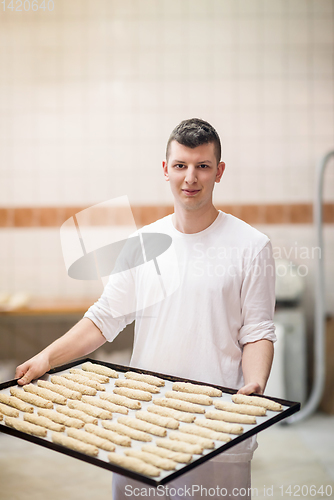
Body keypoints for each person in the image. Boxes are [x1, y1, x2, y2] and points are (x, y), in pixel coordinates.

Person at [16, 118, 276, 499]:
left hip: (217, 426)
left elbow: (257, 331)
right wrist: (47, 358)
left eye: (203, 166)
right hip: (141, 423)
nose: (191, 177)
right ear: (165, 169)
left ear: (219, 172)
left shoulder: (251, 245)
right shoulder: (142, 244)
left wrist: (255, 384)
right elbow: (105, 318)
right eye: (181, 165)